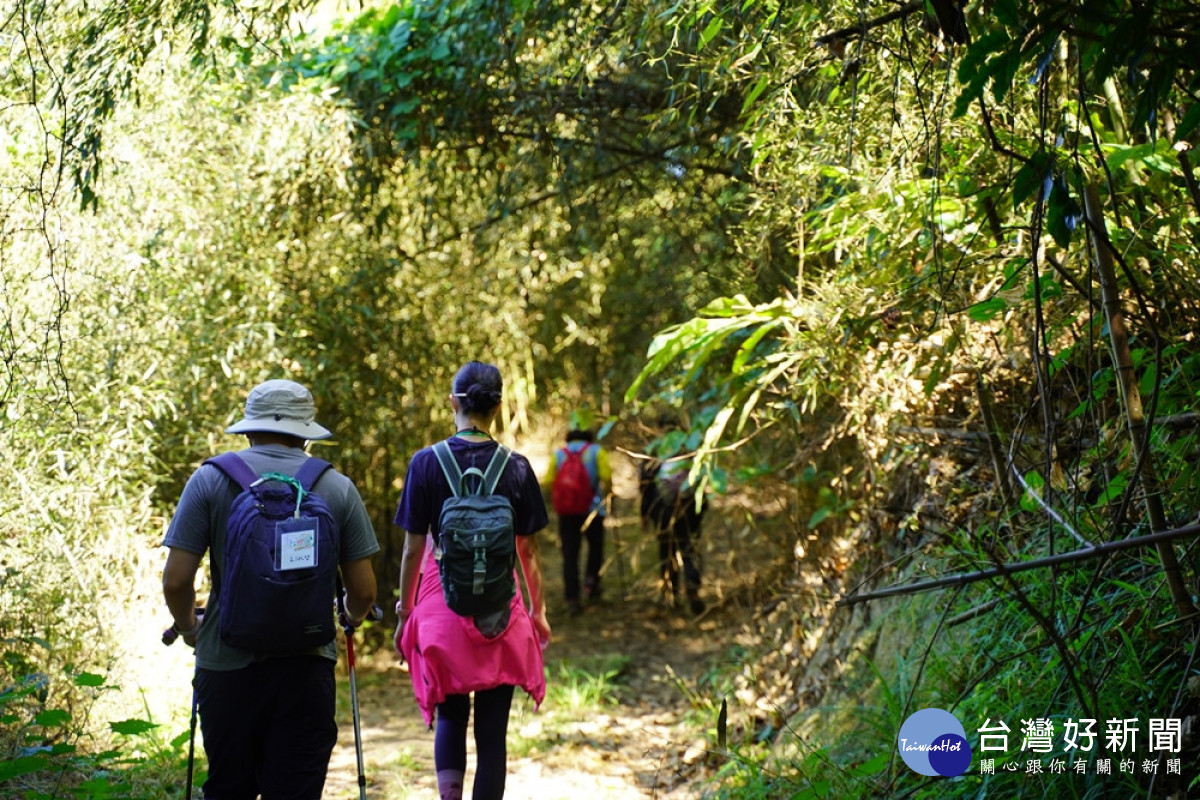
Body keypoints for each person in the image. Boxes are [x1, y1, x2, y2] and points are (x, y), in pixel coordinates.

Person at [161, 378, 380, 799]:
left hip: (226, 667)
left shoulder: (209, 481)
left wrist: (191, 629)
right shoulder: (336, 488)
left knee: (229, 787)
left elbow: (175, 581)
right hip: (306, 668)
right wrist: (348, 618)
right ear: (306, 433)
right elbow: (365, 592)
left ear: (248, 427)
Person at [393, 360, 551, 800]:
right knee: (492, 735)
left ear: (453, 404)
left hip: (442, 614)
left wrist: (405, 615)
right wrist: (538, 613)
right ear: (498, 406)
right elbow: (528, 552)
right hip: (500, 615)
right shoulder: (516, 468)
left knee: (451, 718)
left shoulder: (425, 464)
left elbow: (411, 549)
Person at [542, 427, 611, 615]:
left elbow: (549, 481)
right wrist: (608, 494)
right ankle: (591, 584)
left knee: (570, 554)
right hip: (593, 509)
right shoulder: (597, 451)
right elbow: (606, 477)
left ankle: (572, 598)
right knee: (595, 548)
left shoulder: (558, 455)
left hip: (567, 511)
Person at [639, 451, 706, 616]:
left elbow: (646, 486)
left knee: (666, 550)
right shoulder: (690, 451)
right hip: (689, 509)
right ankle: (692, 585)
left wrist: (645, 513)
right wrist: (700, 511)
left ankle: (671, 593)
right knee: (688, 546)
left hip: (662, 510)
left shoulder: (656, 453)